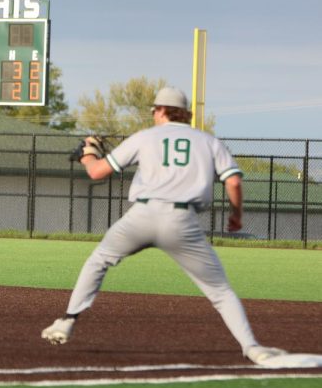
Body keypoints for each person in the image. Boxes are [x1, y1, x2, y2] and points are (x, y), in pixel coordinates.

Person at [41, 87, 286, 365]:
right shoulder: (208, 141)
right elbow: (233, 182)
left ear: (159, 111)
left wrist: (87, 154)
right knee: (220, 291)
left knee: (99, 261)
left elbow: (97, 172)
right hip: (182, 221)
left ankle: (67, 320)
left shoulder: (145, 137)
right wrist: (236, 215)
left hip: (142, 215)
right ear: (186, 114)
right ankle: (252, 347)